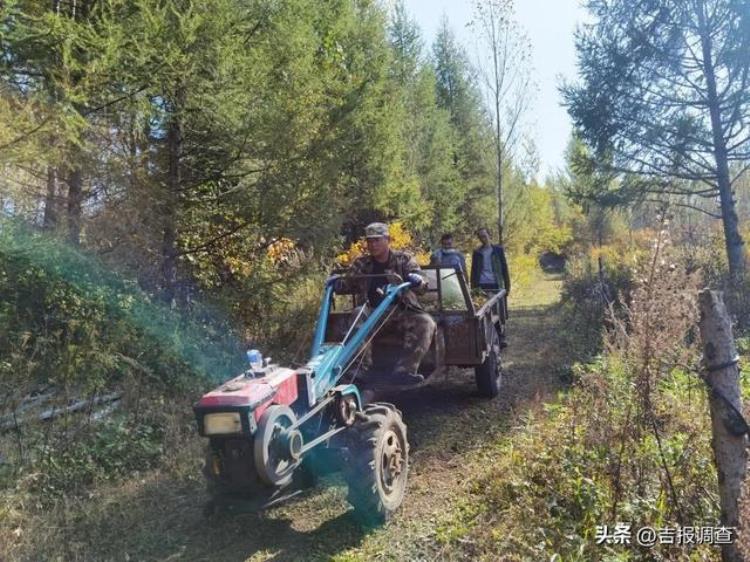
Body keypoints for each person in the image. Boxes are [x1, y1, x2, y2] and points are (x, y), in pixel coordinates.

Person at [335, 222, 436, 385]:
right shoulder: (362, 263)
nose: (372, 245)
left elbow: (420, 281)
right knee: (357, 314)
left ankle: (405, 371)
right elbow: (347, 283)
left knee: (426, 322)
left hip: (400, 312)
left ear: (387, 239)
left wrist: (418, 281)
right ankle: (360, 370)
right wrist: (338, 284)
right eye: (369, 241)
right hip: (372, 312)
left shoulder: (403, 259)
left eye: (377, 240)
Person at [470, 227, 510, 345]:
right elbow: (473, 271)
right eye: (480, 236)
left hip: (496, 283)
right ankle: (487, 338)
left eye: (484, 235)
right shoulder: (477, 252)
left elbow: (504, 268)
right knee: (484, 312)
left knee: (499, 311)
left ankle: (501, 336)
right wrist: (473, 288)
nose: (483, 238)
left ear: (489, 235)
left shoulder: (498, 250)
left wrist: (507, 286)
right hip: (481, 284)